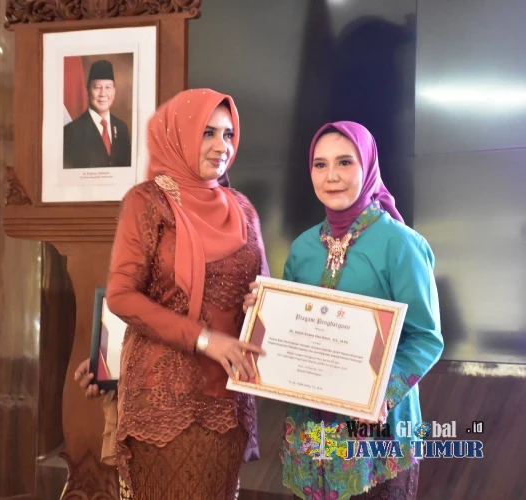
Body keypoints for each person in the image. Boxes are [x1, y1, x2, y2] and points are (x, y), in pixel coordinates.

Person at [74, 88, 270, 499]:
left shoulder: (244, 210)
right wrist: (205, 339)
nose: (222, 146)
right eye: (208, 133)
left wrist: (260, 303)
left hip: (229, 403)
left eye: (229, 134)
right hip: (163, 404)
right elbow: (122, 296)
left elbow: (266, 292)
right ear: (180, 134)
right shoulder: (148, 202)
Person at [244, 121, 443, 500]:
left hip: (377, 433)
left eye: (345, 162)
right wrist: (263, 314)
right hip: (312, 430)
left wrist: (381, 393)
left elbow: (425, 338)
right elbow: (293, 330)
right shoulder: (303, 247)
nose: (331, 176)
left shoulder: (401, 244)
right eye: (320, 165)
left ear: (367, 166)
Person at [63, 59, 131, 168]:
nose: (103, 94)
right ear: (87, 91)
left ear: (114, 91)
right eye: (97, 87)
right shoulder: (71, 131)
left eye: (108, 87)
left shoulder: (122, 128)